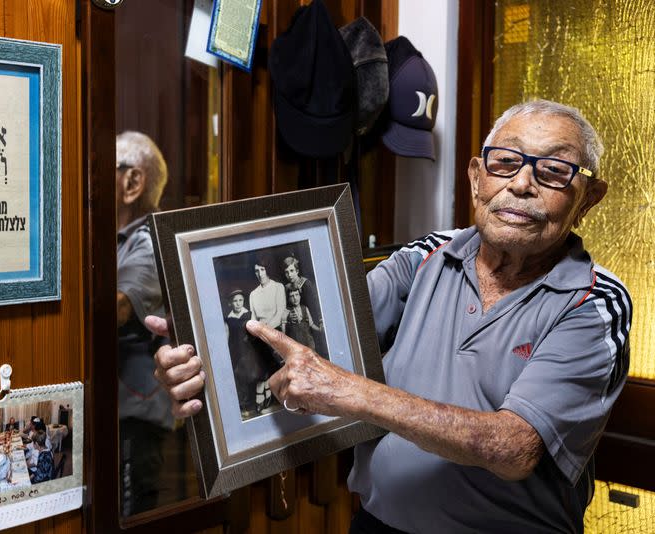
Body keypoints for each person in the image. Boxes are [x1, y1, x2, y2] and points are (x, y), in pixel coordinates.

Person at [148, 100, 632, 533]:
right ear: (476, 177)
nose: (521, 184)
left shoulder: (594, 303)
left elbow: (514, 448)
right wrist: (204, 351)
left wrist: (352, 392)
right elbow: (314, 338)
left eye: (553, 172)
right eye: (505, 163)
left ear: (588, 199)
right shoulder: (422, 257)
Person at [115, 131, 174, 517]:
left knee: (135, 514)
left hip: (138, 415)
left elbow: (116, 308)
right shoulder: (120, 239)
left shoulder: (149, 242)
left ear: (132, 182)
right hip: (123, 410)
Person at [248, 257, 286, 412]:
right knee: (259, 366)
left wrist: (264, 330)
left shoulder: (278, 287)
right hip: (259, 336)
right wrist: (254, 333)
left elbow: (280, 313)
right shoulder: (253, 294)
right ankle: (264, 396)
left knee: (275, 366)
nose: (259, 273)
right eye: (256, 271)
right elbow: (253, 318)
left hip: (276, 333)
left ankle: (273, 397)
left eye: (262, 269)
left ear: (267, 269)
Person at [224, 289, 261, 418]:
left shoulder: (249, 314)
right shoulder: (228, 319)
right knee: (239, 378)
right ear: (230, 303)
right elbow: (227, 336)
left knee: (251, 377)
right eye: (235, 301)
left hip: (248, 350)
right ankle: (243, 406)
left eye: (240, 300)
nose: (238, 303)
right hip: (235, 351)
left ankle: (253, 406)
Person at [283, 255, 327, 356]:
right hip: (296, 325)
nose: (289, 275)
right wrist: (289, 316)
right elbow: (287, 306)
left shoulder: (306, 284)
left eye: (292, 271)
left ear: (297, 271)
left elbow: (314, 304)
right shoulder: (287, 287)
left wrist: (320, 321)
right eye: (287, 272)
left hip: (311, 320)